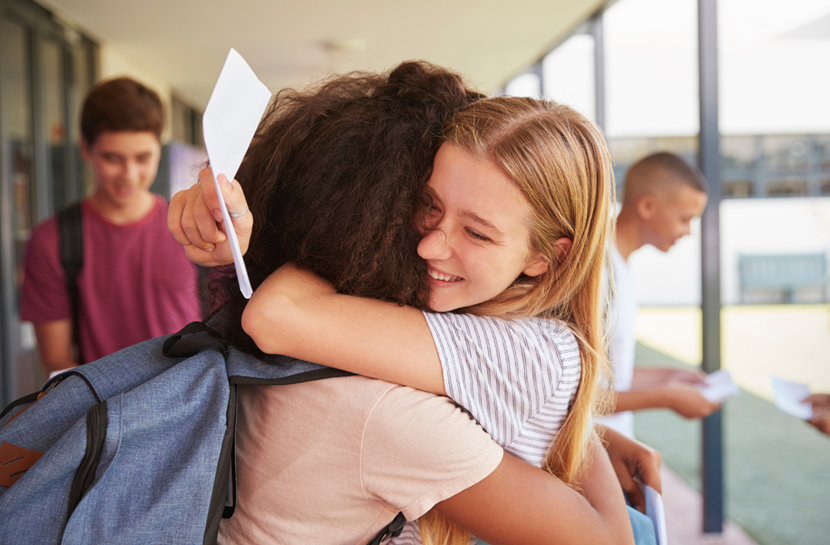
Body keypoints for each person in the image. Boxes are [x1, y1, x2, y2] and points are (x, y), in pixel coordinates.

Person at [170, 62, 650, 545]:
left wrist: (300, 227)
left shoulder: (498, 366)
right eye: (426, 204)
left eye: (478, 232)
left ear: (547, 257)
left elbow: (279, 316)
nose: (429, 247)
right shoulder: (453, 344)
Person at [20, 78, 201, 373]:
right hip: (101, 409)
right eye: (112, 158)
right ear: (85, 149)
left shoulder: (190, 228)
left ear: (158, 149)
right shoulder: (52, 241)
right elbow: (56, 360)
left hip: (189, 406)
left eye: (143, 158)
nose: (129, 174)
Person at [599, 152, 719, 438]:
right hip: (591, 458)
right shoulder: (598, 272)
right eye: (684, 219)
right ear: (648, 206)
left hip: (611, 447)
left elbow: (607, 374)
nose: (688, 232)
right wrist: (666, 396)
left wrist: (669, 377)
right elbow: (571, 395)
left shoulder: (620, 264)